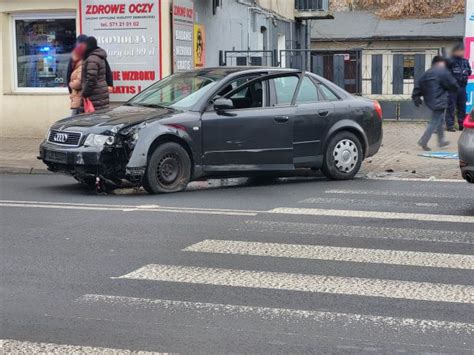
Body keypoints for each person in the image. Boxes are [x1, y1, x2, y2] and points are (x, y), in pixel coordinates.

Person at [412, 56, 458, 151]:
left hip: (429, 100)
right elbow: (452, 84)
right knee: (435, 120)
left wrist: (416, 96)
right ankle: (423, 141)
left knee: (439, 119)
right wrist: (455, 89)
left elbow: (419, 84)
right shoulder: (442, 71)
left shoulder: (427, 73)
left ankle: (441, 141)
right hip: (439, 100)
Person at [447, 43, 472, 131]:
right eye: (460, 50)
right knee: (451, 107)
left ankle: (462, 125)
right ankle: (450, 126)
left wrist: (466, 71)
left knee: (462, 107)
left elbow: (469, 71)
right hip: (452, 88)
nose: (462, 52)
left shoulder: (465, 61)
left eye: (463, 50)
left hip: (462, 87)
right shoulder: (450, 61)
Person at [81, 36, 110, 111]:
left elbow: (91, 78)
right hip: (101, 93)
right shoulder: (100, 57)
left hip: (94, 95)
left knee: (90, 119)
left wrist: (85, 93)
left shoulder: (91, 59)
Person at [68, 41, 86, 115]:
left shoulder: (81, 67)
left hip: (79, 98)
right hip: (77, 98)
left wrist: (71, 84)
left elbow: (79, 83)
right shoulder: (77, 66)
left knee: (74, 119)